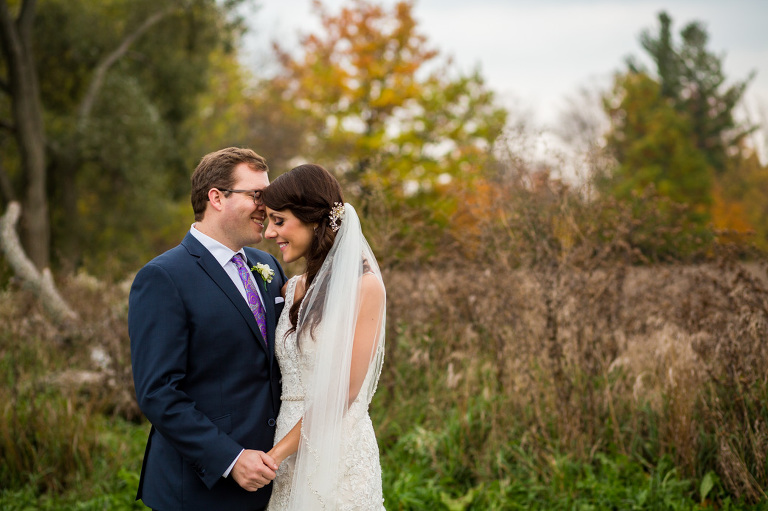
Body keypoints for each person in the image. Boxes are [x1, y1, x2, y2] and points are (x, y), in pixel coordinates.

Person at [128, 147, 288, 511]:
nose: (268, 207)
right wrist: (230, 459)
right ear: (216, 197)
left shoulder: (268, 266)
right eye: (257, 195)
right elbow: (158, 392)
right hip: (202, 489)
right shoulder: (163, 277)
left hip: (273, 476)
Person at [260, 164, 387, 510]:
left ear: (313, 220)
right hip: (285, 449)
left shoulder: (365, 288)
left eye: (279, 220)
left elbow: (344, 390)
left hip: (335, 451)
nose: (270, 233)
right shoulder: (291, 288)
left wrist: (276, 454)